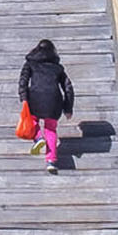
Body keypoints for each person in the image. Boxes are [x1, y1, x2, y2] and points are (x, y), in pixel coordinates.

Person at [18, 39, 74, 173]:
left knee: (32, 121)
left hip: (35, 99)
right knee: (51, 129)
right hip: (54, 101)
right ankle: (51, 161)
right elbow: (68, 87)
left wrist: (24, 98)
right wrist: (68, 108)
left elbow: (23, 81)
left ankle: (38, 138)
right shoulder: (58, 68)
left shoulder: (30, 64)